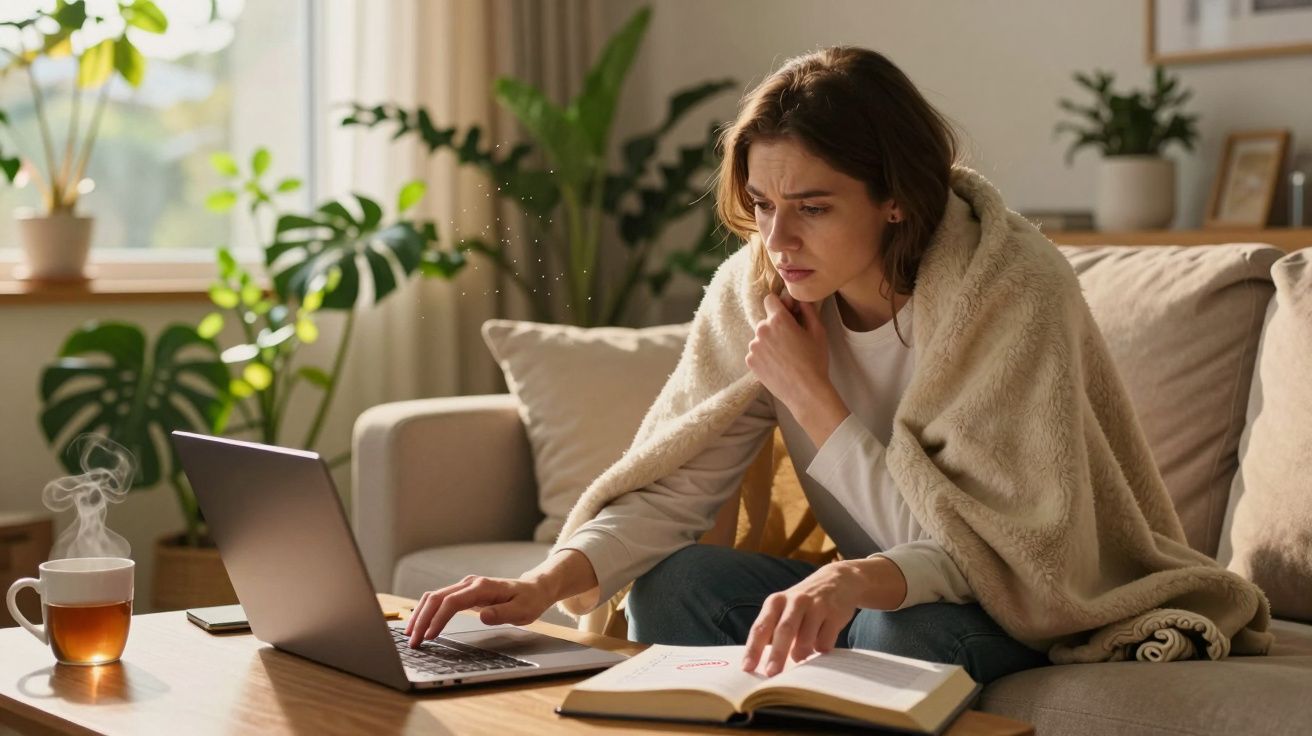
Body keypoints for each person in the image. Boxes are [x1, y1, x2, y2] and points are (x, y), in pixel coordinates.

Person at [402, 46, 1235, 685]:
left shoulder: (1007, 291)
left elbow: (988, 553)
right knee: (672, 587)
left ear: (896, 196)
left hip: (1014, 598)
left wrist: (812, 397)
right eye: (763, 206)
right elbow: (681, 485)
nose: (778, 240)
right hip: (879, 580)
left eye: (813, 208)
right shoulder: (760, 289)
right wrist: (545, 582)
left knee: (896, 632)